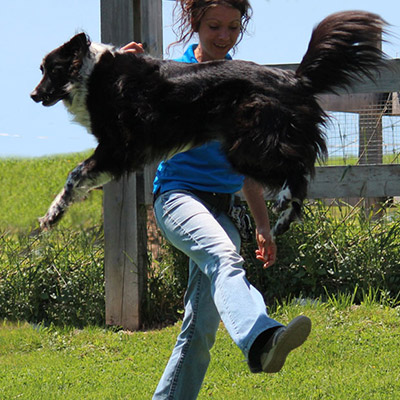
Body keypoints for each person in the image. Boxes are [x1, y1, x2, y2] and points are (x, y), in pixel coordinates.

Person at [123, 1, 311, 398]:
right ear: (195, 23)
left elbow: (246, 168)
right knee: (225, 256)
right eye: (214, 27)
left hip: (222, 207)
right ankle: (262, 339)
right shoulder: (173, 75)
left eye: (232, 27)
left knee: (200, 327)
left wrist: (262, 225)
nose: (223, 37)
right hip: (178, 199)